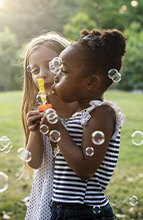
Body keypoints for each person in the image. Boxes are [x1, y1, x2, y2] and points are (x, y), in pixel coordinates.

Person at [40, 29, 126, 219]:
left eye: (64, 71)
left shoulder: (102, 113)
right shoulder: (81, 115)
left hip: (84, 211)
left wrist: (57, 129)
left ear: (91, 83)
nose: (56, 76)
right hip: (63, 208)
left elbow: (85, 169)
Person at [20, 32, 78, 220]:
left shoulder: (82, 110)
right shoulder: (38, 110)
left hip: (75, 201)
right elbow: (34, 162)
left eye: (50, 65)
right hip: (44, 199)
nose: (42, 74)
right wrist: (35, 132)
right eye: (35, 70)